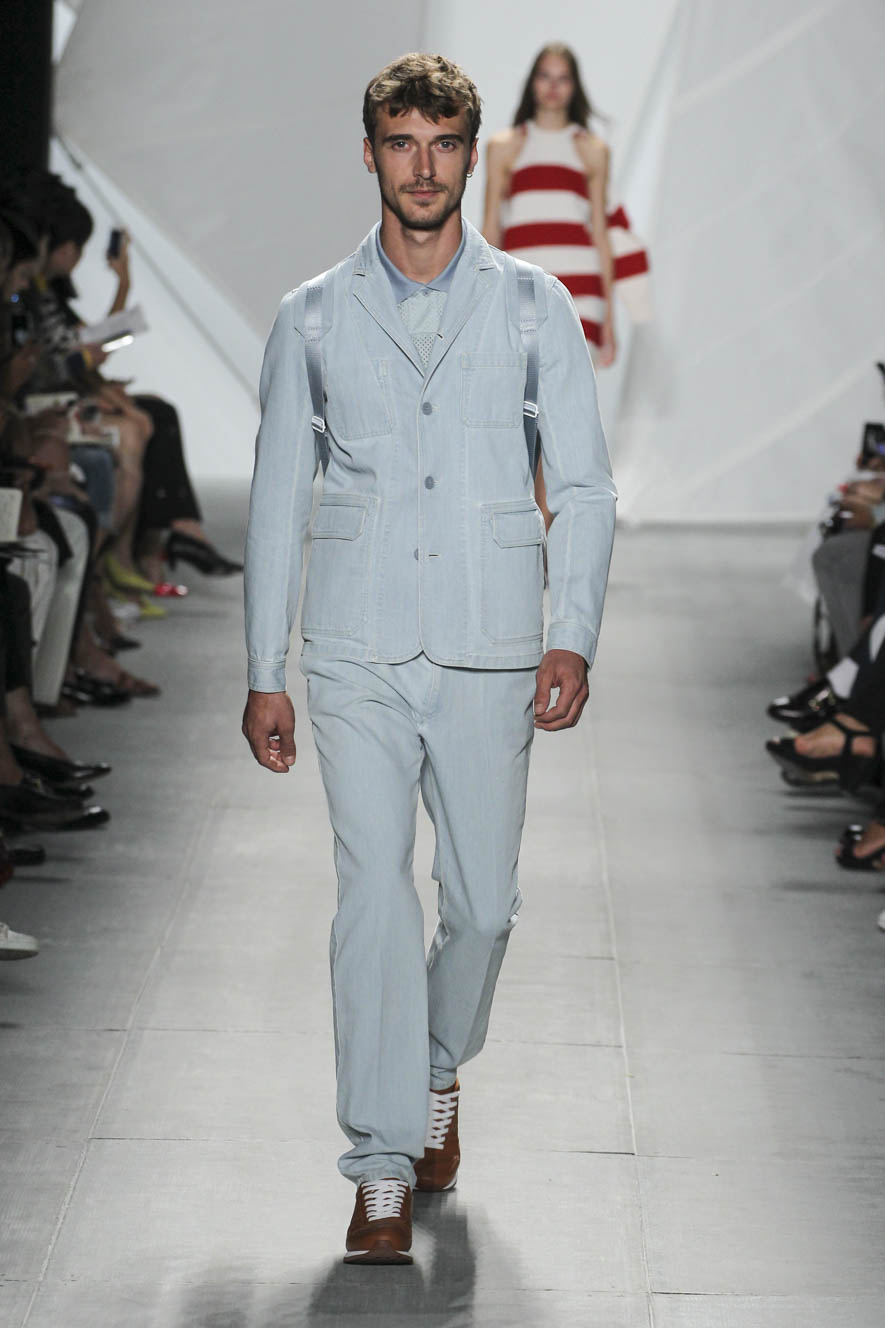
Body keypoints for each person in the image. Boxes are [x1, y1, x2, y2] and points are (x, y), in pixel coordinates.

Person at [242, 52, 616, 1266]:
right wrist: (264, 665)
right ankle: (381, 1162)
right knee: (372, 895)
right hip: (354, 642)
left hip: (491, 639)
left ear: (468, 153)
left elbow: (586, 483)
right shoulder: (310, 313)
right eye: (401, 142)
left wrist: (572, 629)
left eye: (443, 142)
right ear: (370, 154)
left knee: (485, 906)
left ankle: (437, 1063)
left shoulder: (536, 306)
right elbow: (277, 496)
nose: (422, 165)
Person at [483, 42, 649, 525]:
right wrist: (482, 293)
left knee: (559, 416)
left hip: (581, 293)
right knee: (522, 413)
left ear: (574, 87)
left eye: (562, 78)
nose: (553, 87)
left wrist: (610, 319)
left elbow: (600, 232)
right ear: (532, 82)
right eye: (545, 76)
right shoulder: (504, 147)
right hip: (521, 287)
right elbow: (491, 226)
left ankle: (547, 531)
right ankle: (534, 528)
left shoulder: (592, 150)